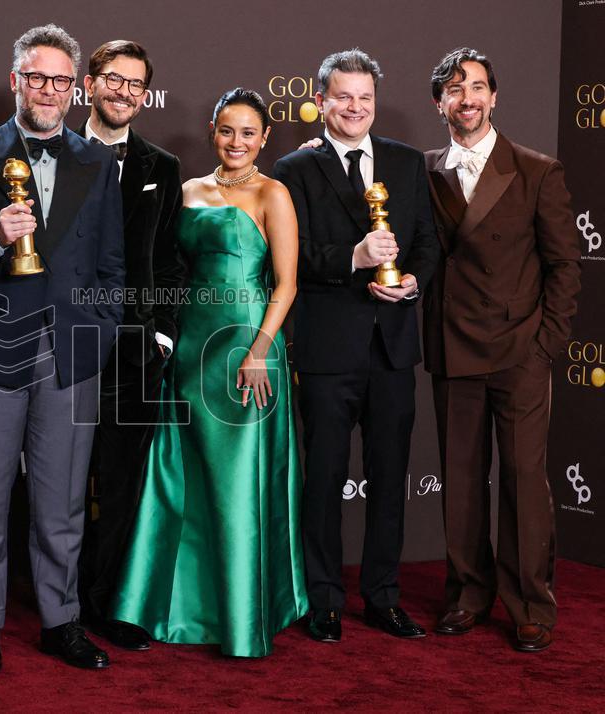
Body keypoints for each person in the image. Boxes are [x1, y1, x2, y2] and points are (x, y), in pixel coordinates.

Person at [0, 24, 124, 673]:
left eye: (61, 80)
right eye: (37, 77)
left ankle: (60, 620)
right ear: (15, 80)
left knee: (62, 504)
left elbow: (111, 264)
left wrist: (98, 333)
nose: (49, 90)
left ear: (77, 90)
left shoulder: (98, 161)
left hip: (71, 352)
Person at [112, 88, 307, 658]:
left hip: (246, 346)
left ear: (265, 138)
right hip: (191, 346)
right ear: (212, 131)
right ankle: (166, 608)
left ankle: (242, 618)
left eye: (249, 132)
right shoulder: (188, 189)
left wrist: (258, 351)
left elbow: (286, 283)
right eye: (227, 130)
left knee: (235, 486)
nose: (237, 142)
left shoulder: (274, 194)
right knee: (176, 479)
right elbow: (171, 266)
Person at [272, 49, 439, 643]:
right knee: (322, 479)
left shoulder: (405, 162)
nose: (355, 108)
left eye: (365, 98)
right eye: (343, 97)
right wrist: (353, 259)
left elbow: (426, 243)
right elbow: (287, 259)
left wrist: (414, 279)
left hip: (393, 348)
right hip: (326, 350)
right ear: (320, 100)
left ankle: (383, 595)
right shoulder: (293, 170)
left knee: (391, 476)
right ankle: (323, 599)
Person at [423, 48, 581, 652]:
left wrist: (545, 347)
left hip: (519, 350)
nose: (468, 98)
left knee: (523, 480)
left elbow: (566, 266)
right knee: (460, 481)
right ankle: (467, 593)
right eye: (455, 89)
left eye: (478, 88)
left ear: (495, 97)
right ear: (440, 104)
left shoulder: (537, 170)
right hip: (452, 347)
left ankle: (530, 603)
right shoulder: (424, 170)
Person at [75, 40, 186, 652]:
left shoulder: (162, 167)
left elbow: (171, 263)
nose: (123, 92)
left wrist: (163, 334)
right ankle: (56, 602)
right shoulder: (50, 154)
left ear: (145, 94)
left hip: (136, 352)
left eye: (135, 84)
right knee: (58, 485)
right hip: (64, 345)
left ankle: (106, 603)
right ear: (88, 85)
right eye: (113, 80)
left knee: (120, 486)